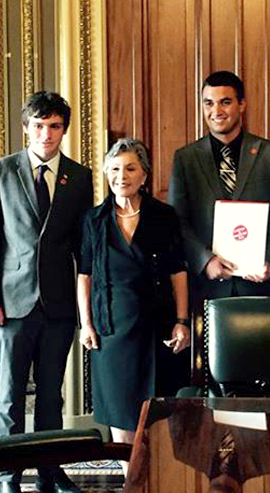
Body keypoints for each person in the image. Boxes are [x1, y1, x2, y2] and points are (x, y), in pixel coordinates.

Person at [0, 91, 93, 493]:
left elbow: (83, 246)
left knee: (50, 397)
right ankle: (8, 477)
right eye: (39, 126)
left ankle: (50, 473)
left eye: (54, 126)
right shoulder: (1, 170)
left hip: (58, 305)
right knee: (9, 396)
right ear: (26, 128)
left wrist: (88, 309)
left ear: (64, 130)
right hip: (11, 303)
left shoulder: (79, 177)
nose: (46, 134)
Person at [77, 138, 190, 455]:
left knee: (160, 414)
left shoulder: (163, 216)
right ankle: (130, 476)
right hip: (110, 330)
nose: (121, 176)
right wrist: (86, 324)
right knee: (120, 411)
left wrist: (182, 321)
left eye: (130, 168)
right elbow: (85, 274)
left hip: (158, 328)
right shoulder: (94, 220)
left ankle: (157, 476)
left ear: (144, 175)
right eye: (114, 169)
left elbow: (178, 271)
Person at [168, 70, 270, 306]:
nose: (216, 111)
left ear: (242, 104)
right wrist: (205, 261)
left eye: (225, 102)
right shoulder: (185, 159)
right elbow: (177, 221)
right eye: (209, 103)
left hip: (261, 287)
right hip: (207, 290)